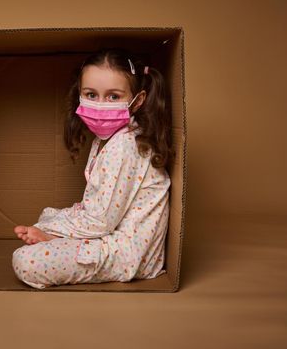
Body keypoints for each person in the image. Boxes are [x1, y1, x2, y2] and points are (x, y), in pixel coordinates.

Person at [12, 47, 175, 289]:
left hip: (128, 253)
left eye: (113, 97)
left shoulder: (126, 145)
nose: (100, 105)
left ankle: (54, 239)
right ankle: (55, 236)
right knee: (48, 214)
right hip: (109, 228)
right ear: (79, 94)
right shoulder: (107, 138)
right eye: (91, 94)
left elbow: (100, 222)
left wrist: (51, 230)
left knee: (25, 260)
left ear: (137, 101)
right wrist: (51, 224)